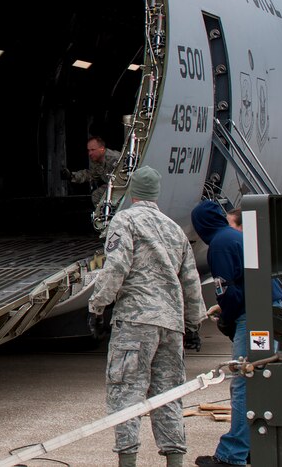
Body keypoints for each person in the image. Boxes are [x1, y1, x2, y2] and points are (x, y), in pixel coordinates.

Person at [88, 166, 206, 467]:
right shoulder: (174, 229)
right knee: (169, 395)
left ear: (132, 191)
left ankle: (128, 461)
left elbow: (115, 267)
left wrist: (97, 306)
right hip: (171, 323)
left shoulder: (125, 220)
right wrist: (193, 324)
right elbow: (190, 279)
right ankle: (175, 461)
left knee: (126, 392)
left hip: (136, 321)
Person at [191, 199, 282, 466]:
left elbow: (229, 291)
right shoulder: (236, 236)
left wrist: (228, 317)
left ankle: (232, 454)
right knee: (262, 380)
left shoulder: (219, 244)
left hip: (254, 315)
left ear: (201, 225)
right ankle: (258, 446)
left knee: (245, 381)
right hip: (271, 307)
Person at [62, 136, 121, 204]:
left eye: (93, 150)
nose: (90, 153)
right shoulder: (96, 160)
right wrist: (72, 176)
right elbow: (91, 174)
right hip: (113, 187)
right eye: (89, 150)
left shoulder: (115, 158)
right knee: (96, 195)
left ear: (101, 148)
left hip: (124, 187)